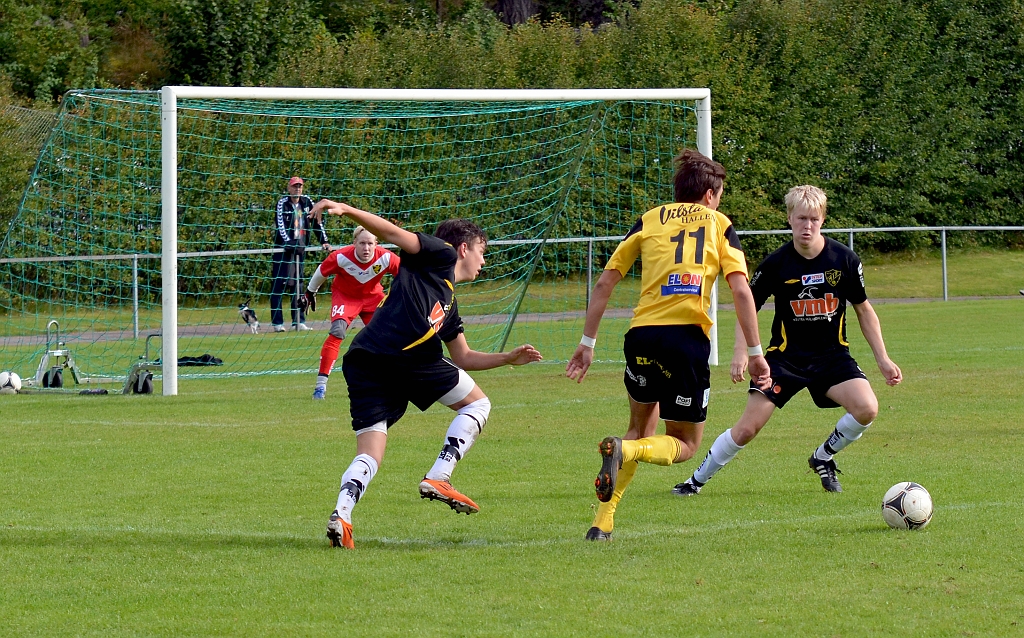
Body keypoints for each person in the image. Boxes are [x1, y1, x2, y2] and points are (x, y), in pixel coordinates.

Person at [309, 198, 543, 549]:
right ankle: (439, 476)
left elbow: (462, 356)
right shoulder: (441, 254)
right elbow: (392, 233)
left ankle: (341, 515)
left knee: (371, 450)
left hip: (367, 358)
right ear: (463, 248)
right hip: (404, 355)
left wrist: (507, 357)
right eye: (482, 250)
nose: (484, 260)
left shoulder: (448, 300)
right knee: (478, 406)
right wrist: (348, 210)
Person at [566, 149, 771, 542]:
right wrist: (756, 352)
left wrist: (587, 343)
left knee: (638, 426)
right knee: (686, 444)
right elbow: (742, 291)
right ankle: (626, 454)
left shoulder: (649, 219)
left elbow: (605, 282)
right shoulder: (719, 224)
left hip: (641, 336)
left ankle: (602, 523)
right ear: (711, 195)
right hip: (685, 340)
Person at [673, 185, 902, 497]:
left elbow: (864, 309)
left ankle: (823, 456)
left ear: (822, 220)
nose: (807, 226)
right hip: (784, 360)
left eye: (813, 219)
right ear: (789, 219)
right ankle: (694, 482)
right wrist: (742, 353)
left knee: (867, 408)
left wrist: (883, 359)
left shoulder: (845, 260)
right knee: (747, 428)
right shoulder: (776, 264)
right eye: (801, 219)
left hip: (832, 358)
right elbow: (746, 307)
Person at [301, 226, 400, 400]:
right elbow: (321, 272)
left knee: (387, 338)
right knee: (338, 331)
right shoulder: (340, 257)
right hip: (345, 297)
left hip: (372, 297)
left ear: (376, 244)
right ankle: (320, 387)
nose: (366, 248)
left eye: (370, 243)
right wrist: (310, 292)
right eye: (362, 243)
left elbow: (406, 275)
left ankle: (390, 382)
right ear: (354, 243)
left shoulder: (385, 257)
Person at [270, 176, 330, 332]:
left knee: (298, 285)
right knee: (279, 285)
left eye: (300, 186)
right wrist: (289, 243)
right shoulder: (282, 203)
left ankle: (299, 320)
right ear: (289, 188)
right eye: (294, 186)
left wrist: (323, 240)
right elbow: (280, 226)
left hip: (300, 249)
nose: (297, 189)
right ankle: (277, 323)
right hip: (284, 250)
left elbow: (317, 223)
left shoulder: (307, 202)